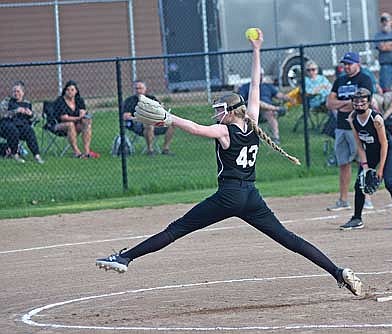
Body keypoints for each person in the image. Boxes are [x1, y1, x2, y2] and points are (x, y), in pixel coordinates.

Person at [96, 29, 363, 297]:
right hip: (251, 196)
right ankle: (337, 272)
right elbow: (256, 86)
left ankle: (125, 258)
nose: (216, 114)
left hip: (229, 195)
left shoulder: (225, 130)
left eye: (219, 110)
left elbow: (194, 128)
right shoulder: (252, 122)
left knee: (176, 229)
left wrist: (168, 117)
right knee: (288, 239)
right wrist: (257, 50)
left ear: (231, 112)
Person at [341, 88, 392, 230]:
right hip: (369, 152)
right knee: (360, 183)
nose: (359, 105)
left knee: (389, 182)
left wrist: (380, 169)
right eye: (356, 102)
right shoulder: (353, 118)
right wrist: (365, 166)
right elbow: (359, 145)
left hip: (387, 150)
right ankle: (357, 218)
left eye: (362, 102)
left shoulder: (376, 119)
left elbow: (384, 144)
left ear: (369, 102)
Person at [326, 52, 374, 211]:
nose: (346, 67)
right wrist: (347, 103)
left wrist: (345, 104)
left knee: (363, 163)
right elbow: (329, 103)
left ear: (357, 64)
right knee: (343, 163)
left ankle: (367, 198)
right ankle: (343, 200)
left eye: (349, 64)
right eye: (344, 64)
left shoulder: (364, 79)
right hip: (341, 127)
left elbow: (361, 103)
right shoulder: (339, 80)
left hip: (358, 127)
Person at [238, 68, 291, 145]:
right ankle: (277, 109)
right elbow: (241, 99)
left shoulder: (268, 86)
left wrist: (289, 98)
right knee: (257, 102)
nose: (259, 76)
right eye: (257, 75)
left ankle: (276, 138)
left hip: (267, 111)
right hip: (252, 111)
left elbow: (279, 95)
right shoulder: (246, 86)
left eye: (261, 75)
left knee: (270, 113)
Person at [123, 80, 175, 156]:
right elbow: (126, 116)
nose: (138, 91)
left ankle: (165, 149)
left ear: (145, 89)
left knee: (172, 123)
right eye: (136, 88)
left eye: (140, 88)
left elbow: (161, 111)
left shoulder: (152, 98)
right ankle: (150, 150)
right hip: (137, 125)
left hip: (155, 122)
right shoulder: (130, 101)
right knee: (148, 124)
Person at [0, 81, 44, 164]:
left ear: (23, 93)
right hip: (6, 125)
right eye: (14, 91)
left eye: (18, 91)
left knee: (29, 131)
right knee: (13, 130)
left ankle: (37, 155)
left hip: (21, 126)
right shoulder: (7, 101)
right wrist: (15, 111)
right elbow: (1, 114)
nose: (16, 93)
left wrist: (31, 114)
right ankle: (15, 154)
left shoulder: (27, 103)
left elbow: (36, 119)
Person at [53, 80, 99, 159]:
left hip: (76, 125)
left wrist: (83, 115)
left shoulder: (79, 100)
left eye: (72, 90)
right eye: (68, 90)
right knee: (70, 124)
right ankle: (77, 152)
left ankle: (86, 152)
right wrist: (78, 118)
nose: (70, 92)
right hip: (59, 125)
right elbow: (64, 118)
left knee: (87, 122)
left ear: (76, 91)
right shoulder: (60, 101)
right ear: (65, 91)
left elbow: (82, 111)